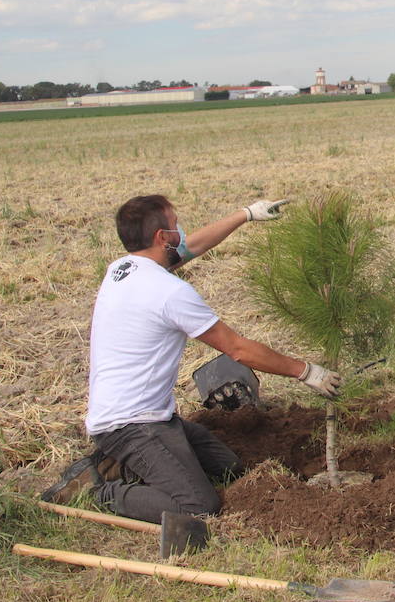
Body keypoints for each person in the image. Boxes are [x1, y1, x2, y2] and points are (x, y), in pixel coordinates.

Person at [41, 195, 343, 523]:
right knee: (198, 504)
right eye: (175, 225)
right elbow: (237, 349)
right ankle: (100, 490)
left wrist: (246, 215)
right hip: (130, 426)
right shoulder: (169, 292)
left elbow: (191, 246)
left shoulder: (122, 269)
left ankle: (125, 465)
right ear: (161, 238)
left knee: (227, 467)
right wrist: (306, 371)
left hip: (156, 418)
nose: (182, 232)